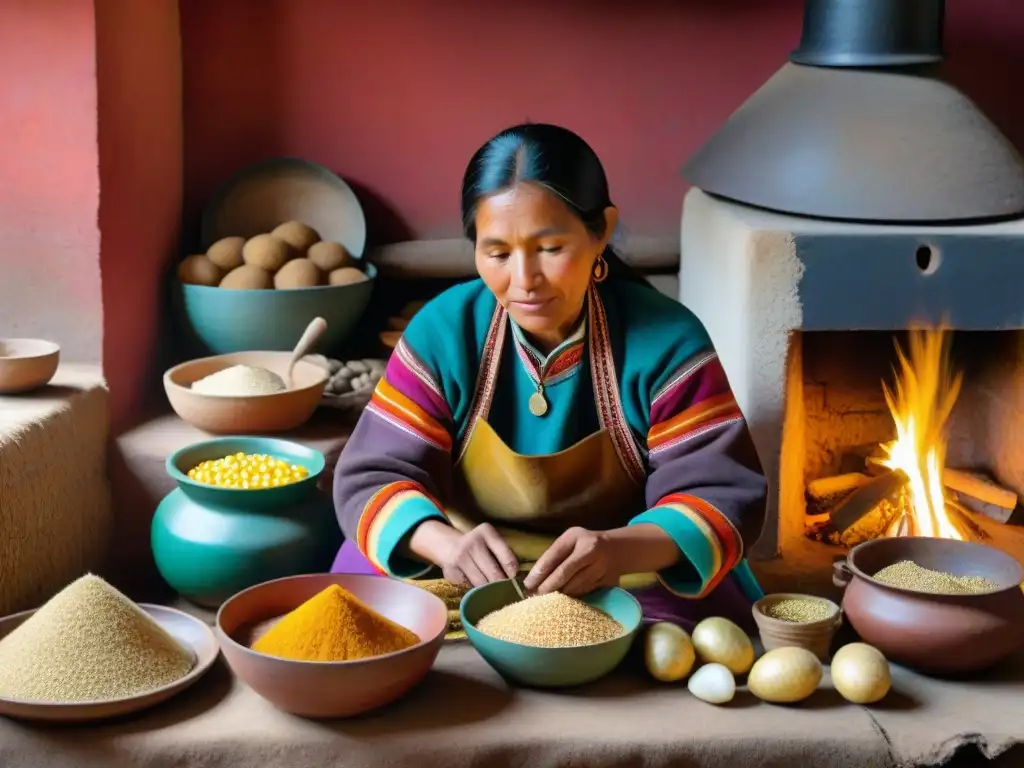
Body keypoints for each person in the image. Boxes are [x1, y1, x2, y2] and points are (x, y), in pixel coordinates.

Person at [331, 123, 767, 629]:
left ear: (600, 230)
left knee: (667, 645)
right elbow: (372, 475)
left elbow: (719, 495)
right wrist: (445, 544)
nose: (523, 280)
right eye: (497, 253)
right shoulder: (444, 331)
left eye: (550, 248)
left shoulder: (668, 341)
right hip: (465, 568)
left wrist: (617, 551)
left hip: (624, 572)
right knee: (365, 611)